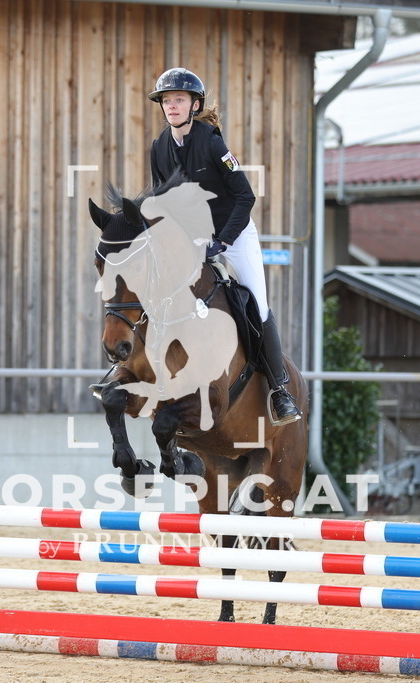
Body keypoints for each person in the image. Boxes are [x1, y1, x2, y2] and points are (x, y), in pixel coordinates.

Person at [147, 67, 300, 426]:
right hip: (195, 237)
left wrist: (223, 241)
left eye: (179, 100)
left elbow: (245, 196)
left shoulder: (212, 142)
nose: (172, 106)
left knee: (258, 304)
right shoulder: (159, 148)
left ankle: (280, 391)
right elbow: (162, 200)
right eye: (167, 101)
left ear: (194, 105)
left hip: (234, 233)